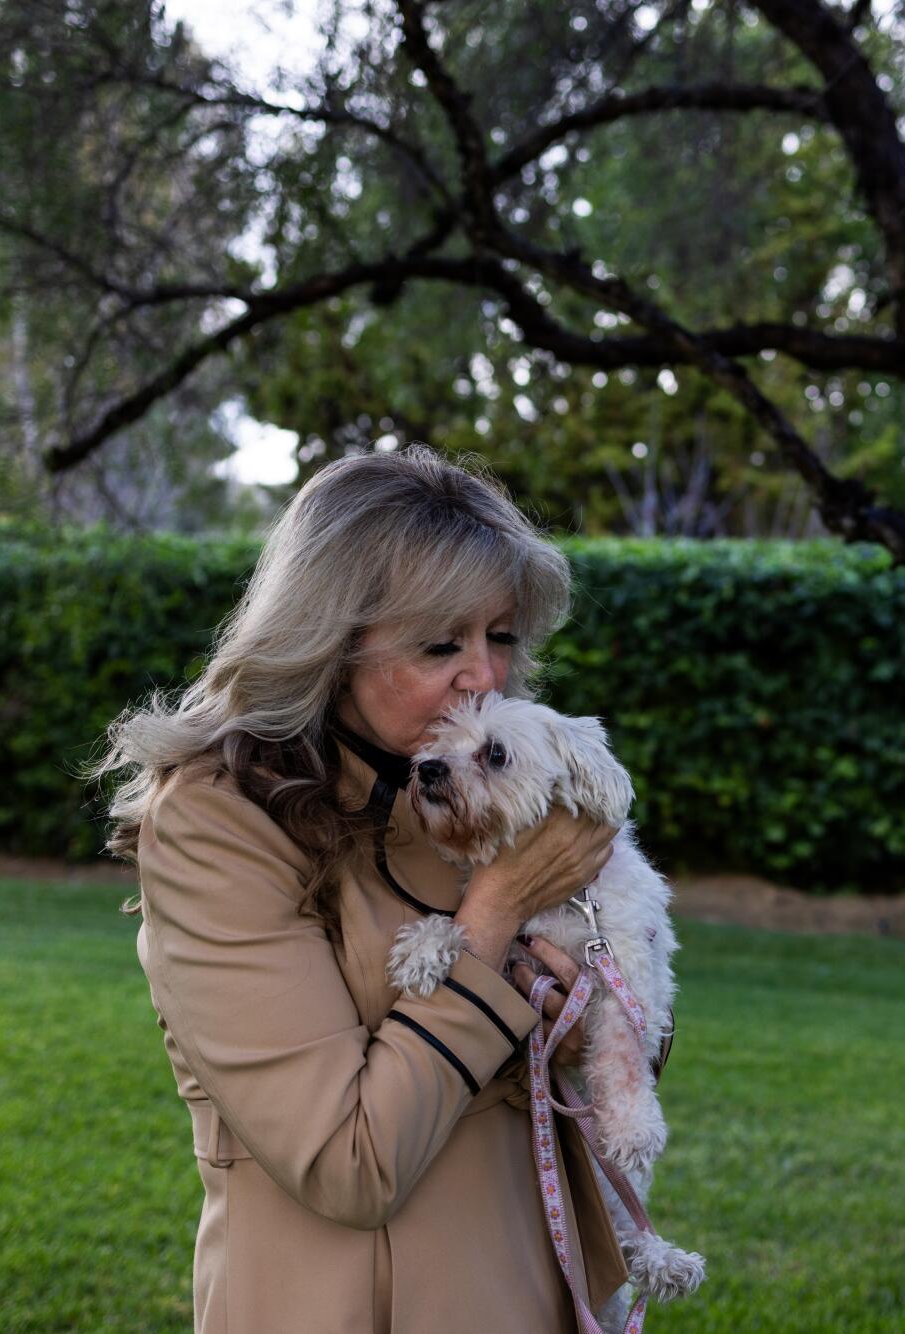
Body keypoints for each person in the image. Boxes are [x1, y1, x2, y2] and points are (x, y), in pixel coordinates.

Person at [89, 446, 640, 1332]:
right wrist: (493, 911)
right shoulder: (215, 824)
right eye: (440, 643)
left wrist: (602, 1014)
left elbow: (624, 1022)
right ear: (331, 639)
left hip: (533, 1293)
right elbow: (351, 1162)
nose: (484, 676)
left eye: (499, 636)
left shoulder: (489, 788)